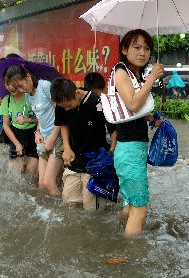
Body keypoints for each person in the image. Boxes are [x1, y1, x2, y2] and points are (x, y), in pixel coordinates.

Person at [112, 29, 164, 237]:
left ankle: (116, 233)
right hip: (129, 149)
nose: (143, 52)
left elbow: (131, 111)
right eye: (136, 47)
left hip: (133, 148)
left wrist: (149, 117)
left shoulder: (135, 74)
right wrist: (152, 77)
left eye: (147, 48)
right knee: (140, 209)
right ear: (124, 49)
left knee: (130, 204)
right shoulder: (122, 72)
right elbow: (133, 103)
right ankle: (131, 256)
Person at [50, 78, 117, 210]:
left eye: (69, 106)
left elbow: (113, 129)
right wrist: (67, 148)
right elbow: (62, 123)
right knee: (69, 202)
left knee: (92, 208)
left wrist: (111, 153)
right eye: (64, 107)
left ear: (76, 93)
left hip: (97, 161)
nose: (66, 109)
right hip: (74, 159)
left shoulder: (98, 102)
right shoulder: (62, 103)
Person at [4, 64, 63, 197]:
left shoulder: (45, 87)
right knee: (41, 184)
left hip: (57, 137)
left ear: (28, 77)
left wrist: (53, 138)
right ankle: (50, 214)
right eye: (17, 87)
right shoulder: (27, 97)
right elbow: (39, 118)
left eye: (21, 85)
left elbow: (61, 112)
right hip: (43, 138)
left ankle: (65, 214)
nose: (21, 89)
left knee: (49, 183)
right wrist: (37, 132)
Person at [0, 73, 39, 175]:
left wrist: (27, 120)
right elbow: (5, 125)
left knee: (31, 173)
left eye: (12, 83)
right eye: (6, 83)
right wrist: (17, 144)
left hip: (33, 136)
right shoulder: (6, 100)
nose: (10, 87)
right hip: (15, 136)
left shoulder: (31, 96)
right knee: (17, 173)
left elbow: (40, 119)